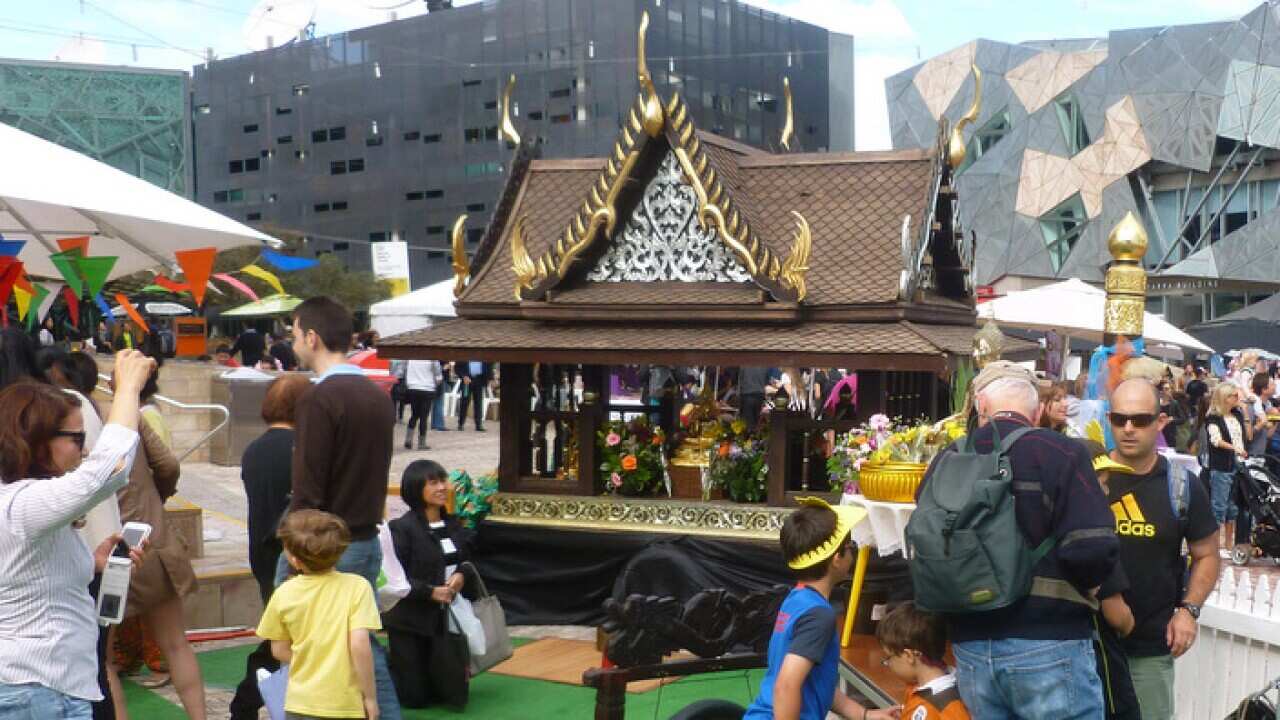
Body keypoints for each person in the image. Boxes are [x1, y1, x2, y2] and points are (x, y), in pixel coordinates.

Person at [917, 361, 1118, 720]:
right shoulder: (1062, 453)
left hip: (971, 645)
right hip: (1049, 641)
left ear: (980, 406)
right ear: (1038, 411)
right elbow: (1093, 548)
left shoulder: (949, 458)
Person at [0, 350, 154, 719]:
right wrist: (128, 388)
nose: (85, 449)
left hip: (48, 687)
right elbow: (108, 470)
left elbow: (28, 575)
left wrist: (93, 561)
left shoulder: (21, 499)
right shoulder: (23, 502)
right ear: (37, 441)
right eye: (76, 438)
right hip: (35, 692)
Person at [280, 296, 400, 720]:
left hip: (321, 543)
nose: (293, 343)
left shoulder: (318, 399)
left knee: (306, 647)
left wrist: (293, 552)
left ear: (311, 337)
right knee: (361, 642)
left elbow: (308, 486)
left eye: (294, 335)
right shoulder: (377, 396)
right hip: (364, 538)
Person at [1106, 378, 1220, 720]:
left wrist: (1189, 611)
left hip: (1148, 649)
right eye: (1119, 419)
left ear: (1160, 422)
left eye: (1140, 420)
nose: (1128, 428)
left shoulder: (1183, 485)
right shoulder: (1086, 475)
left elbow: (1207, 554)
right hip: (1083, 646)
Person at [107, 360, 204, 720]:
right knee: (176, 644)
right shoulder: (131, 418)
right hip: (152, 537)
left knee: (104, 660)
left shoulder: (58, 418)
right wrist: (153, 501)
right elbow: (168, 466)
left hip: (105, 548)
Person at [744, 498, 897, 720]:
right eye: (850, 547)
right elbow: (786, 685)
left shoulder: (796, 599)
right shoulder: (819, 615)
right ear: (837, 559)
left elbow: (815, 682)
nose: (853, 553)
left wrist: (864, 714)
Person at [229, 374, 312, 720]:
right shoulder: (302, 450)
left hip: (262, 554)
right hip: (294, 557)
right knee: (288, 639)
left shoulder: (254, 450)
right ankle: (248, 701)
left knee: (281, 632)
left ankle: (248, 704)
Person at [257, 510, 381, 720]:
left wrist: (310, 660)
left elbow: (278, 649)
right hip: (344, 702)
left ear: (295, 561)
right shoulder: (358, 587)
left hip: (300, 701)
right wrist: (370, 697)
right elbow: (360, 644)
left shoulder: (284, 592)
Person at [384, 460, 474, 709]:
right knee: (415, 698)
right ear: (416, 488)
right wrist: (430, 592)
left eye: (443, 480)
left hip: (445, 616)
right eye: (433, 482)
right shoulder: (401, 528)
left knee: (450, 694)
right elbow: (395, 578)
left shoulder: (453, 523)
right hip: (410, 618)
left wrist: (461, 575)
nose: (442, 487)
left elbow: (467, 559)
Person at [1080, 440, 1141, 720]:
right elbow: (1116, 614)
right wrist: (1129, 624)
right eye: (1101, 483)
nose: (1107, 490)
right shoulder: (1097, 536)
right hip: (1102, 666)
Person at [875, 602, 969, 720]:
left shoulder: (946, 707)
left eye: (888, 658)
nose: (888, 664)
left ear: (908, 656)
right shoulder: (921, 686)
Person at [1204, 382, 1247, 531]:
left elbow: (1246, 436)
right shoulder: (1213, 417)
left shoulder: (1237, 415)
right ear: (1224, 398)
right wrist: (1235, 448)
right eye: (1233, 395)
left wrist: (1245, 413)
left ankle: (1229, 545)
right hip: (1222, 465)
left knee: (1232, 508)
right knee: (1219, 507)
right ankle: (1216, 543)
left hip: (1239, 463)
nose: (1237, 398)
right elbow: (1216, 440)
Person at [403, 359, 443, 450]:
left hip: (413, 388)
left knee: (414, 415)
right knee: (423, 417)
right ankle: (421, 443)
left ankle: (408, 439)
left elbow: (405, 372)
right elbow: (438, 376)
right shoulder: (432, 359)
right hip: (427, 389)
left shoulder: (411, 359)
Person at [455, 360, 490, 431]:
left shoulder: (483, 354)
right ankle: (461, 424)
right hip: (467, 381)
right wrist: (463, 376)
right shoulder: (464, 354)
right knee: (464, 402)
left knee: (478, 402)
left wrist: (489, 378)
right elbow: (457, 368)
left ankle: (478, 425)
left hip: (479, 380)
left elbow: (489, 365)